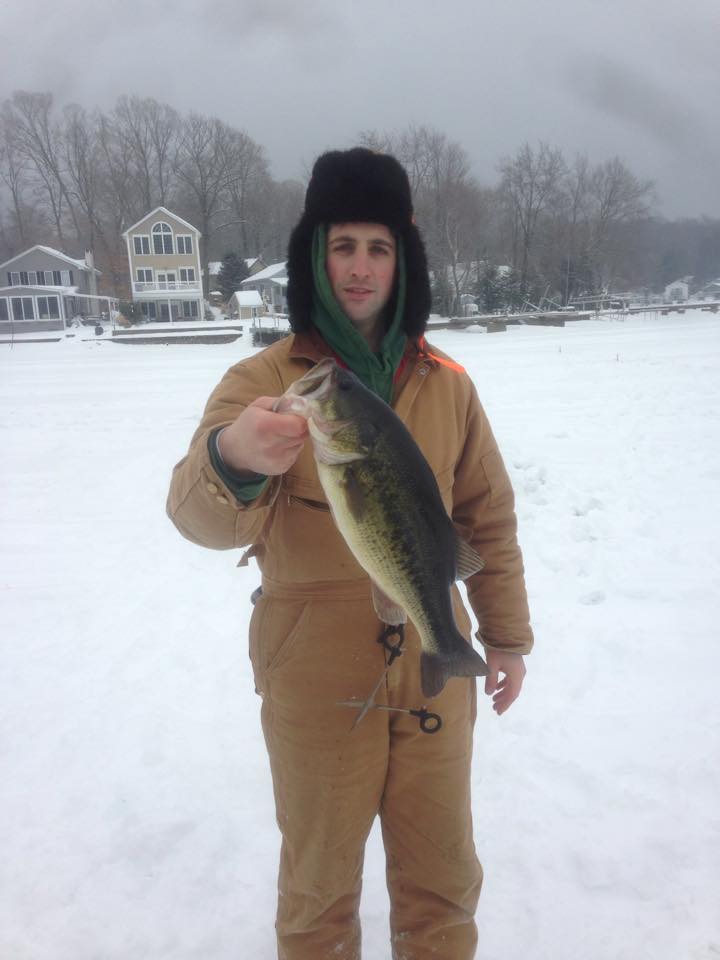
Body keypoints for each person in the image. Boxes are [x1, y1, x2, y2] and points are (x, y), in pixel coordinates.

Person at [166, 147, 533, 960]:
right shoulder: (263, 380)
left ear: (403, 261)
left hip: (436, 647)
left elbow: (489, 517)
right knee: (319, 886)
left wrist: (504, 633)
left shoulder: (448, 383)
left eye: (379, 247)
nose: (361, 268)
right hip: (312, 667)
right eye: (342, 246)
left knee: (443, 880)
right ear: (314, 255)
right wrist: (232, 456)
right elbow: (195, 517)